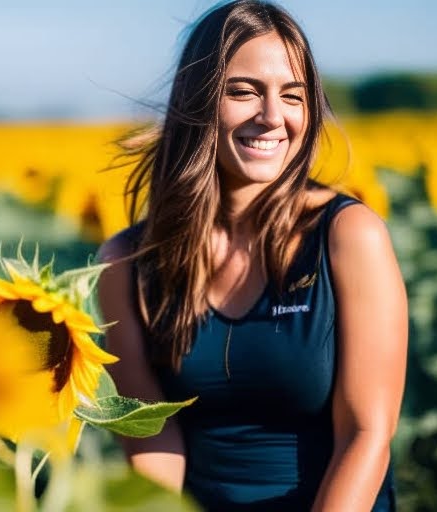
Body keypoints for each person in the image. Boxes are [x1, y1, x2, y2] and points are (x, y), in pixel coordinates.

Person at [96, 1, 407, 510]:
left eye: (292, 96)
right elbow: (154, 441)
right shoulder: (128, 263)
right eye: (243, 92)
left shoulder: (348, 236)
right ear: (196, 100)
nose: (271, 117)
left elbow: (367, 434)